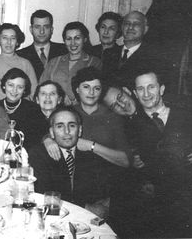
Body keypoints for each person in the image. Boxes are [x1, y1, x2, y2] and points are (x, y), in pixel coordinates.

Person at [43, 67, 130, 218]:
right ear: (77, 89)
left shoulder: (113, 118)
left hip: (102, 191)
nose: (91, 92)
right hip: (70, 190)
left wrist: (92, 146)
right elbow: (50, 131)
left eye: (96, 88)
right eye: (86, 87)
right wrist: (47, 140)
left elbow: (125, 160)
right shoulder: (69, 112)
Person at [120, 69, 192, 238]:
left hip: (190, 199)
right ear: (135, 93)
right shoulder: (129, 125)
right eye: (140, 89)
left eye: (151, 87)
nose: (146, 94)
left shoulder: (187, 115)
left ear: (161, 89)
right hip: (153, 204)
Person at [29, 106, 126, 217]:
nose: (67, 132)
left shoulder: (90, 155)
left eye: (72, 125)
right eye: (60, 126)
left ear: (79, 130)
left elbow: (102, 194)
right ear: (51, 132)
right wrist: (85, 207)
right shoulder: (38, 154)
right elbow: (44, 194)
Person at [40, 21, 102, 105]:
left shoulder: (94, 62)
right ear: (64, 41)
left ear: (85, 39)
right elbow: (41, 87)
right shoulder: (54, 62)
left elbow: (98, 91)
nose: (73, 43)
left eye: (77, 38)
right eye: (69, 39)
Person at [0, 23, 38, 100]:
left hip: (19, 108)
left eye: (13, 38)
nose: (9, 42)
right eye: (4, 38)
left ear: (17, 42)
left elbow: (34, 93)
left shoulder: (25, 64)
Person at [0, 68, 46, 150]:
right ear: (4, 86)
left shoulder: (33, 109)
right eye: (11, 85)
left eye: (20, 87)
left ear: (24, 90)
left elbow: (40, 137)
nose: (14, 90)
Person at [16, 9, 67, 79]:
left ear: (51, 29)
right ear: (31, 29)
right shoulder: (20, 55)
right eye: (37, 27)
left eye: (46, 27)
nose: (42, 31)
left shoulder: (64, 50)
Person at [90, 12, 123, 76]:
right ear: (98, 29)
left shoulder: (122, 54)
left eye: (111, 28)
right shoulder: (89, 51)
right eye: (103, 27)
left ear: (118, 33)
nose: (106, 32)